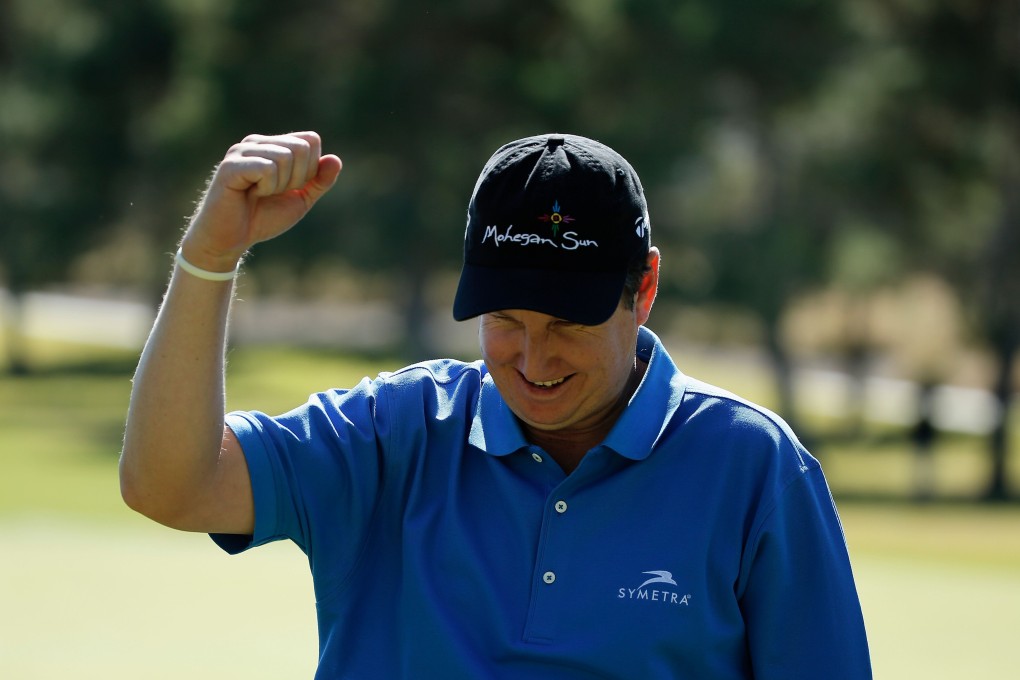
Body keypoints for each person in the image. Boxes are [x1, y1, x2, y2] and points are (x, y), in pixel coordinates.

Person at [120, 131, 872, 679]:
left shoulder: (752, 466)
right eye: (506, 321)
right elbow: (170, 485)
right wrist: (211, 258)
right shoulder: (392, 431)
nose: (533, 360)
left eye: (567, 325)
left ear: (641, 290)